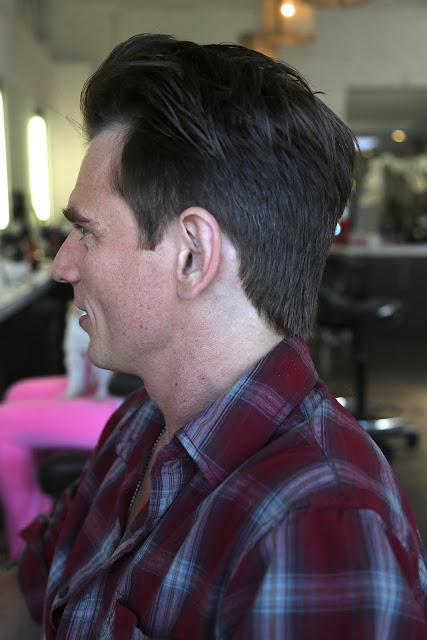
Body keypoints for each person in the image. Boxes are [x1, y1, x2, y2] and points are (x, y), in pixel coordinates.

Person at [0, 33, 426, 639]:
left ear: (192, 256)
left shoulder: (316, 527)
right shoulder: (140, 424)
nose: (64, 265)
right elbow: (34, 588)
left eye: (88, 233)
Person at [0, 304, 122, 560]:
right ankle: (44, 520)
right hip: (106, 378)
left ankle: (26, 554)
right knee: (16, 392)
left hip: (126, 396)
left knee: (3, 421)